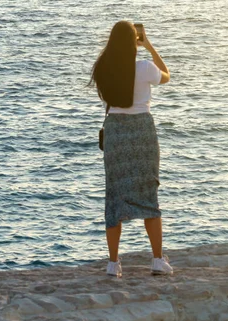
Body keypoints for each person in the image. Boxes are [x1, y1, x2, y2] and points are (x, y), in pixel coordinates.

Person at [90, 21, 173, 278]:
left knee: (114, 195)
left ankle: (113, 264)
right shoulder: (145, 68)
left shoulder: (103, 68)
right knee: (148, 192)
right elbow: (166, 75)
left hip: (116, 132)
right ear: (133, 41)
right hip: (142, 132)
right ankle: (158, 260)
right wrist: (148, 45)